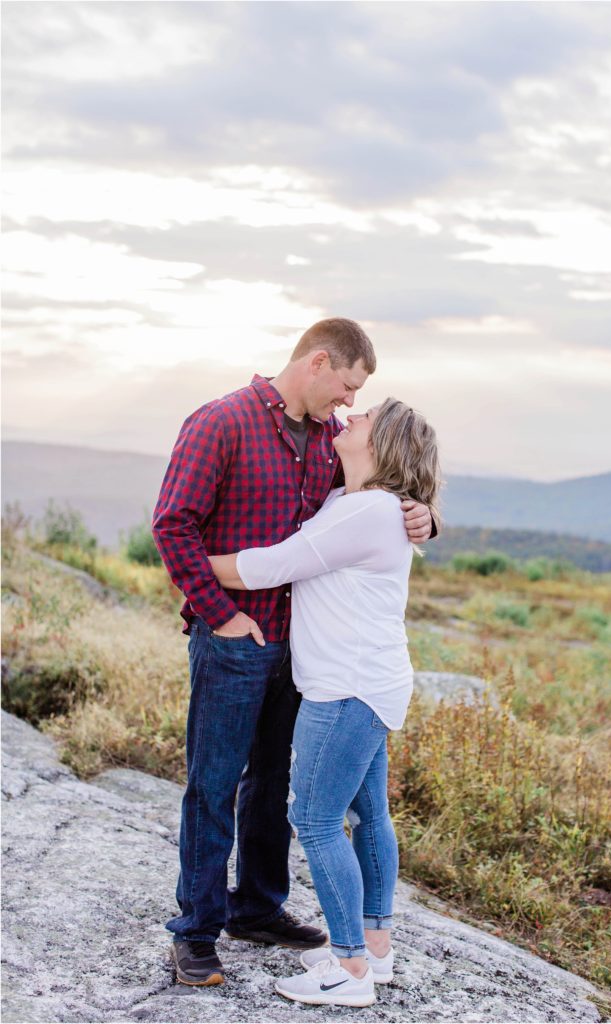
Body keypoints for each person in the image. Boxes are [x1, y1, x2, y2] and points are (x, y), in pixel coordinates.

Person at [152, 319, 433, 987]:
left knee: (273, 784)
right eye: (346, 385)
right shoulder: (221, 422)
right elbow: (171, 525)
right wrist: (219, 614)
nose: (348, 403)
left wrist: (422, 515)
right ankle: (195, 931)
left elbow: (383, 496)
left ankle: (258, 909)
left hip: (303, 653)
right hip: (235, 639)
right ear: (316, 362)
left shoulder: (333, 439)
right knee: (213, 786)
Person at [208, 397, 441, 1007]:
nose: (350, 417)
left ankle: (348, 970)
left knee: (313, 818)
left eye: (364, 417)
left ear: (383, 444)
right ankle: (375, 949)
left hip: (345, 689)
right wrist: (426, 514)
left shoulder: (365, 511)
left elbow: (275, 565)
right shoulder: (357, 503)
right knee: (368, 815)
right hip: (371, 682)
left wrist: (188, 563)